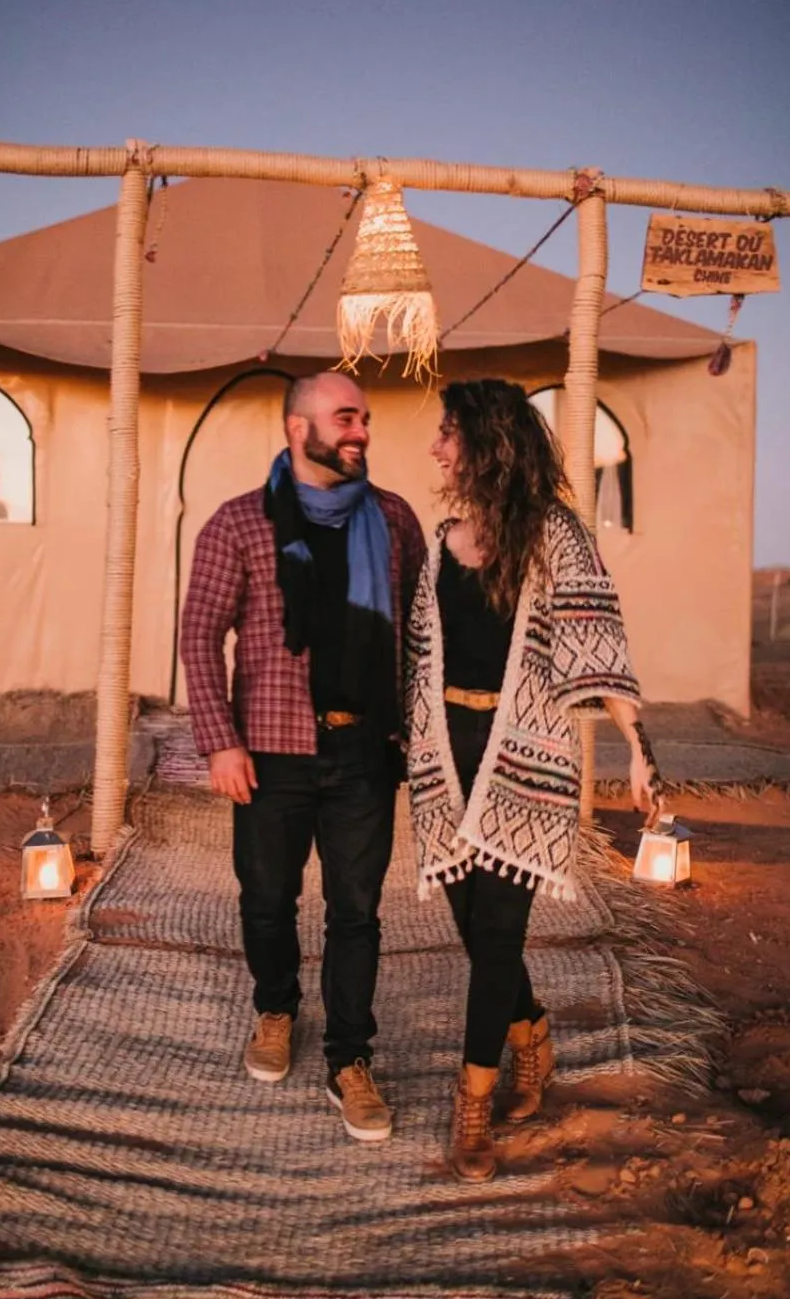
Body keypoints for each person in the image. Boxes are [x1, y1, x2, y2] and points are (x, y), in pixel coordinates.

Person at [405, 378, 663, 1182]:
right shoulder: (441, 540)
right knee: (476, 925)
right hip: (442, 755)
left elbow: (598, 640)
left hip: (527, 754)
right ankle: (534, 1036)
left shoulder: (557, 537)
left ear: (486, 443)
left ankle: (473, 1104)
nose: (435, 448)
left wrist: (637, 748)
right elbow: (418, 657)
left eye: (447, 433)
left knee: (496, 934)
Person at [181, 370, 425, 1144]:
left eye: (365, 420)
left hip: (365, 749)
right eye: (345, 418)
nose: (360, 432)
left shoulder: (394, 520)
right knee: (266, 900)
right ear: (297, 428)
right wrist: (219, 740)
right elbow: (198, 636)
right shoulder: (239, 523)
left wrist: (418, 737)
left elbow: (422, 639)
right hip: (272, 752)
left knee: (357, 912)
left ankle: (351, 1059)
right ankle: (276, 1009)